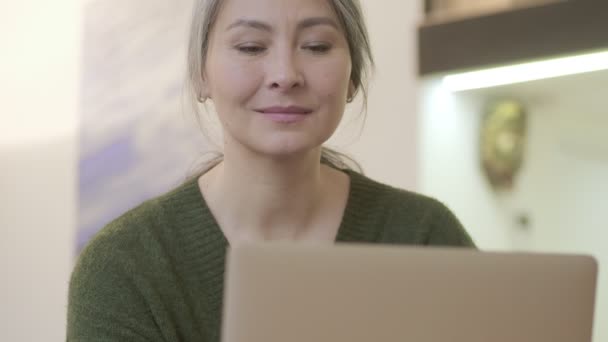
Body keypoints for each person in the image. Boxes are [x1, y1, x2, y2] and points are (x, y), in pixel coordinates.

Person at [67, 0, 475, 340]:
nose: (285, 75)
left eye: (316, 46)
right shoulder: (126, 267)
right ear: (200, 74)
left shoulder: (423, 236)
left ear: (353, 77)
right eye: (250, 47)